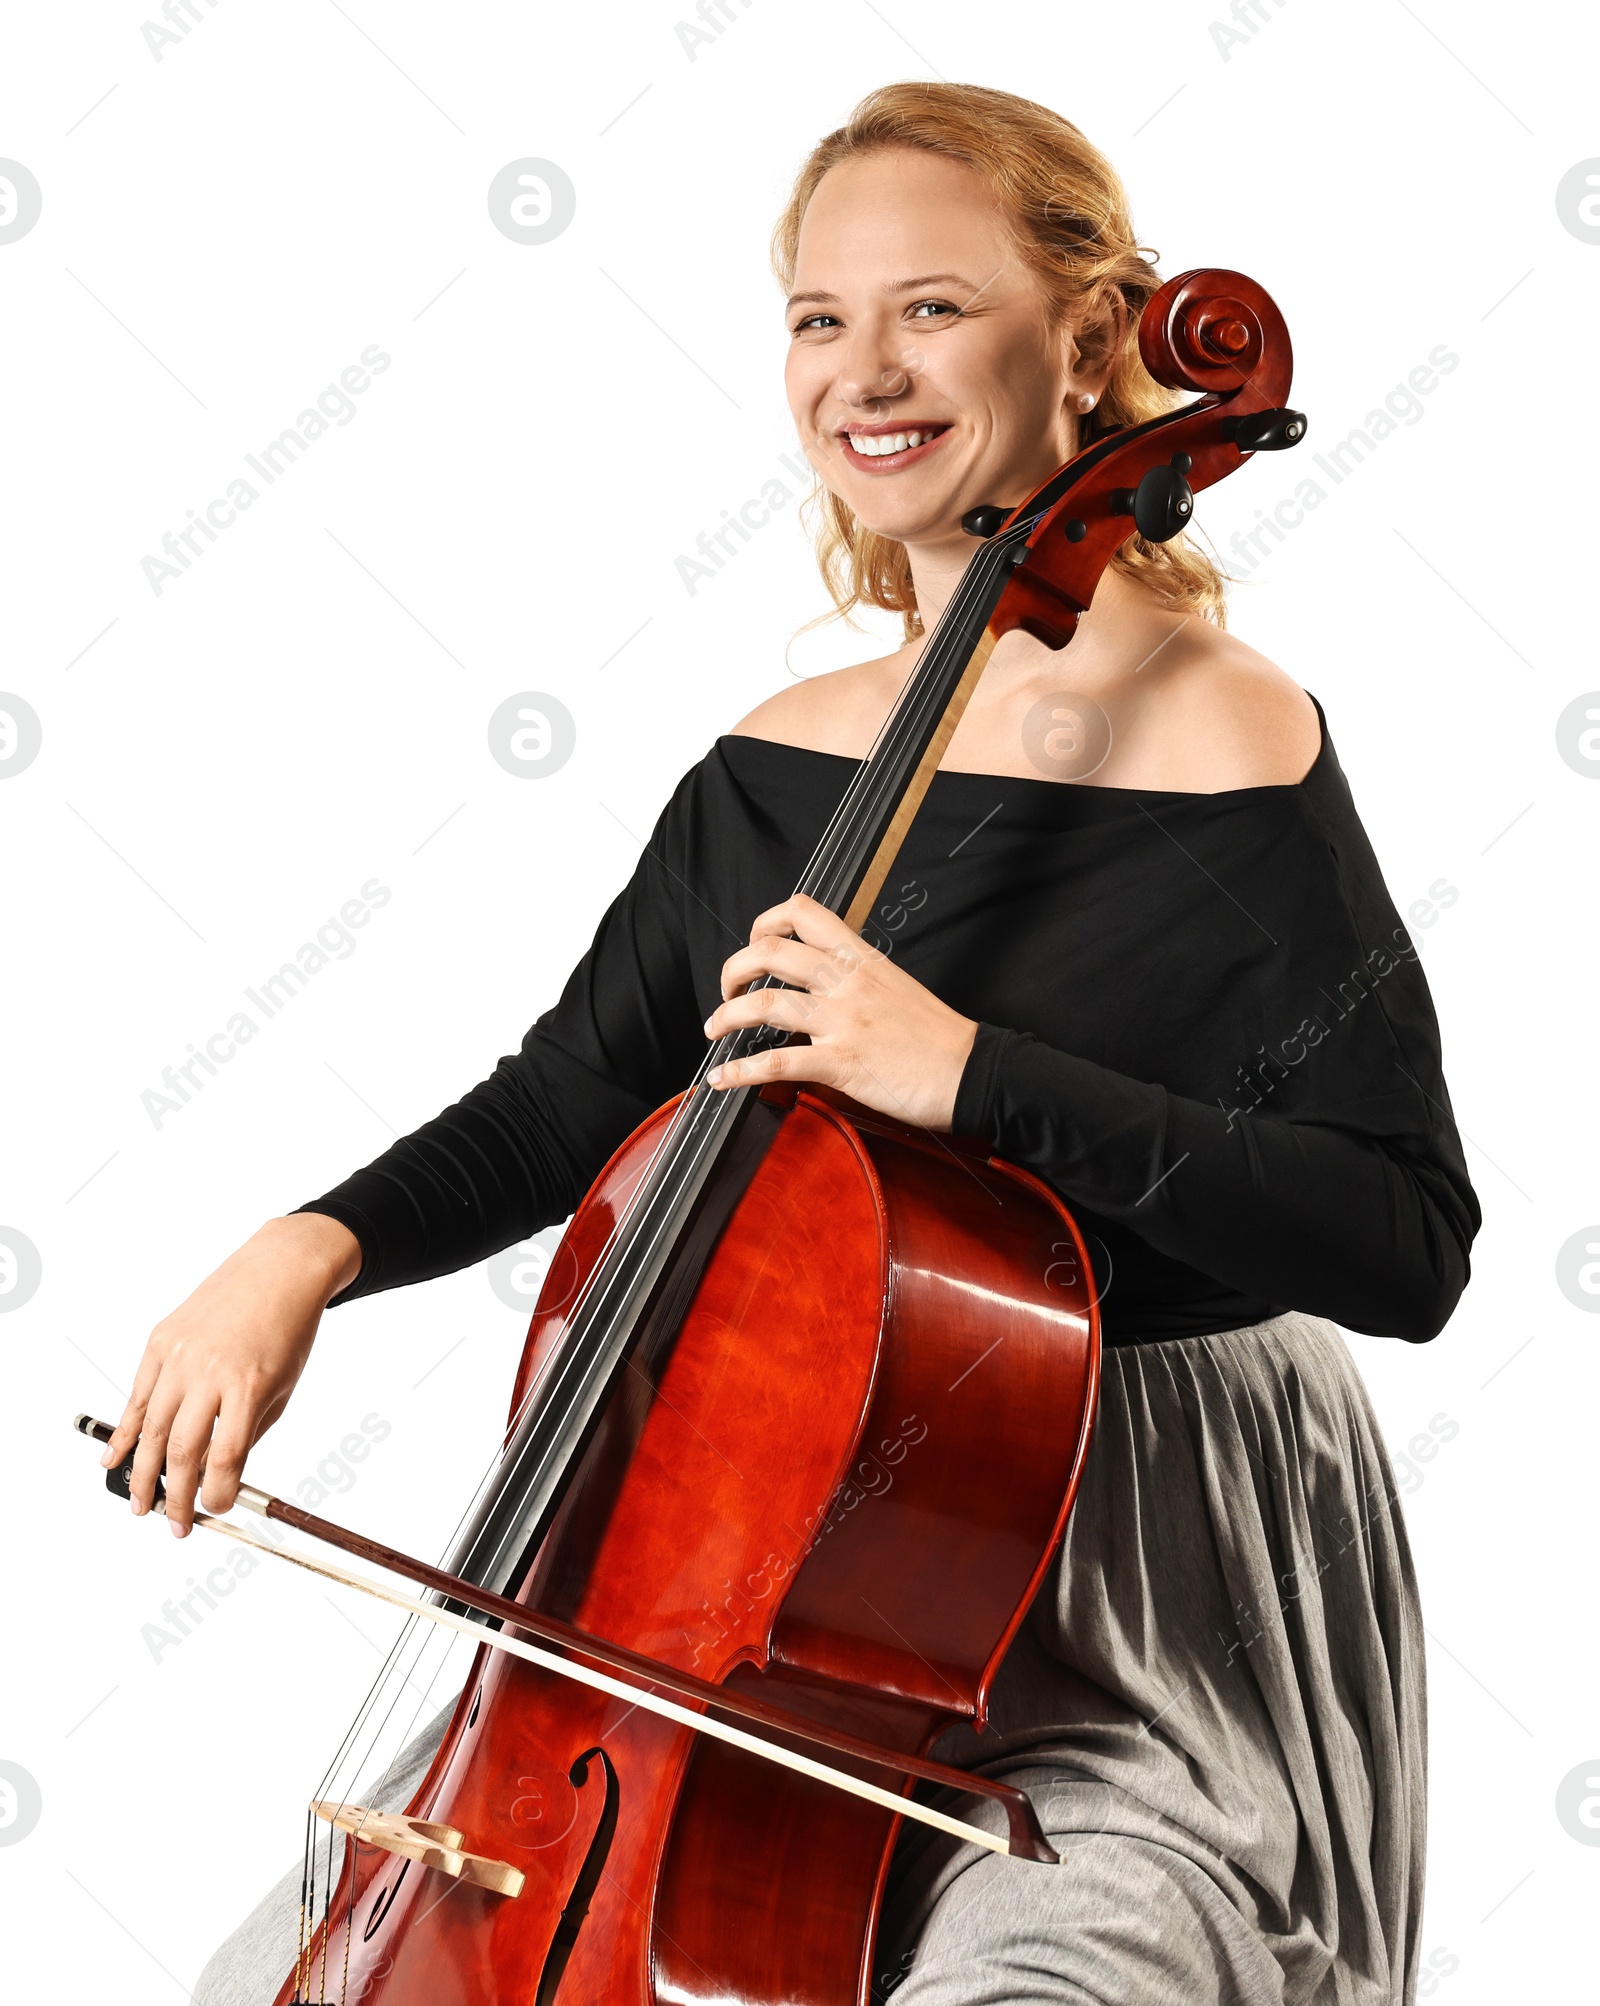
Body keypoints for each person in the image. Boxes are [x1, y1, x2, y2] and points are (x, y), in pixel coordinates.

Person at [113, 82, 1478, 2006]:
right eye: (818, 318)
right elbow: (576, 1098)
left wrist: (961, 1071)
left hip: (1133, 1623)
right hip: (740, 1598)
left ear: (1092, 340)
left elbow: (1406, 1237)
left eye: (930, 306)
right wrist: (303, 1252)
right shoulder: (782, 756)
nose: (864, 370)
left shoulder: (1225, 735)